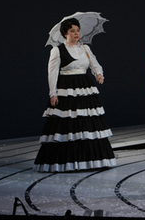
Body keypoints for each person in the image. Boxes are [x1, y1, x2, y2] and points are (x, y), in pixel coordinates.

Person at [34, 18, 117, 172]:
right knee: (68, 124)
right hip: (67, 88)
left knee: (87, 123)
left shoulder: (85, 48)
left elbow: (96, 64)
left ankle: (91, 161)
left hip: (85, 88)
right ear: (65, 33)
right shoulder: (57, 50)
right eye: (72, 30)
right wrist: (53, 93)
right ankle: (68, 162)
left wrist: (99, 74)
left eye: (78, 30)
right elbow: (52, 73)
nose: (76, 33)